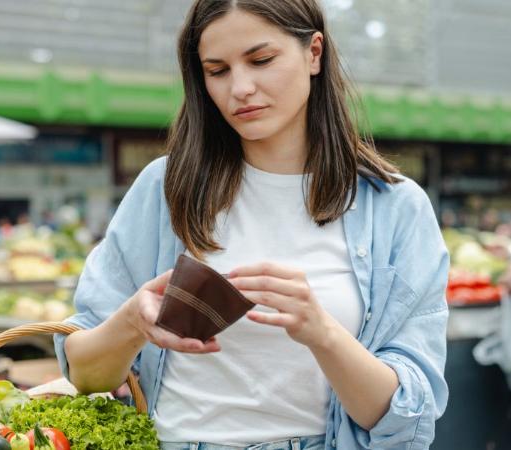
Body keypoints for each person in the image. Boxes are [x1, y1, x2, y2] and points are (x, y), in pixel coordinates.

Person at [54, 2, 449, 450]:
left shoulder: (395, 207)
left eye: (261, 60)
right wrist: (132, 322)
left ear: (313, 53)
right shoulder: (164, 188)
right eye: (217, 70)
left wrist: (323, 333)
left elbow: (407, 417)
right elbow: (85, 374)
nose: (240, 88)